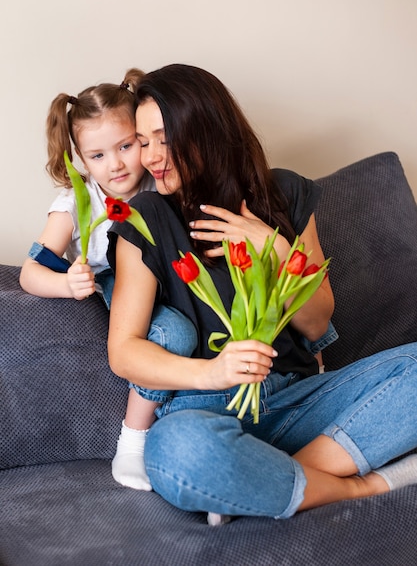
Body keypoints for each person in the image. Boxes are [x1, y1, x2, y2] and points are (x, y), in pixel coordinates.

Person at [107, 63, 417, 525]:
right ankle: (362, 486)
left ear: (207, 130)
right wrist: (213, 372)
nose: (152, 156)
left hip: (300, 399)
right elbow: (124, 351)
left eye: (164, 138)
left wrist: (272, 249)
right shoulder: (146, 215)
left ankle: (261, 481)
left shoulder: (283, 194)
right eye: (144, 140)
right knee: (178, 450)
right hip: (207, 409)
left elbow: (315, 323)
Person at [19, 70, 197, 492]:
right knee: (174, 334)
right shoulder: (77, 201)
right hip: (123, 284)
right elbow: (30, 272)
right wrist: (67, 283)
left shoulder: (161, 180)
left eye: (125, 146)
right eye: (97, 155)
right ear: (80, 158)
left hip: (174, 279)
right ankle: (133, 439)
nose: (115, 164)